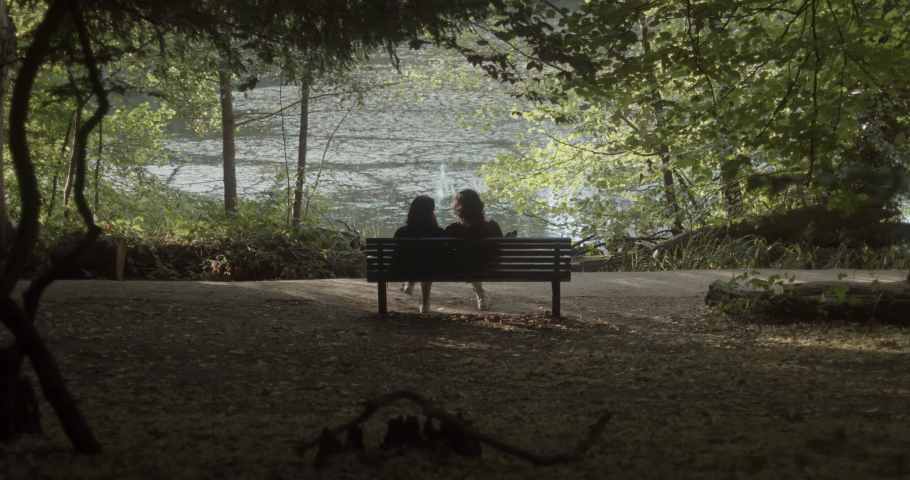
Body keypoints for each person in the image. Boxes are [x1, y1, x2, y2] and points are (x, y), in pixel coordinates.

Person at [444, 189, 503, 311]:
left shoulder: (452, 229)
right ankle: (481, 296)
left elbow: (444, 253)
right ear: (479, 206)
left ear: (458, 208)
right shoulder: (492, 227)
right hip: (487, 267)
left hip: (460, 269)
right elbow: (500, 251)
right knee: (476, 261)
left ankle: (481, 295)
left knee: (469, 261)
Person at [394, 195, 445, 313]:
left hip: (405, 270)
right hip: (434, 270)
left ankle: (409, 281)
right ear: (430, 214)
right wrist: (436, 226)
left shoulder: (402, 232)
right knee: (427, 265)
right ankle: (426, 302)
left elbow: (396, 258)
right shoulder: (438, 232)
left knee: (419, 263)